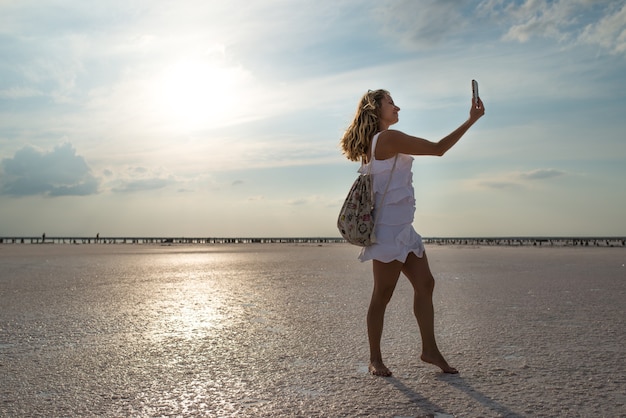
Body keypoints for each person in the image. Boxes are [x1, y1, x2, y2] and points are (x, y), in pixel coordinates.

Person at [340, 88, 485, 376]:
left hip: (404, 229)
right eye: (391, 104)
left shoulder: (377, 142)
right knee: (382, 294)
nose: (397, 108)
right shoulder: (388, 138)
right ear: (375, 109)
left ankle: (429, 350)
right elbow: (439, 148)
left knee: (425, 284)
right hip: (388, 231)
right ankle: (375, 360)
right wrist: (472, 120)